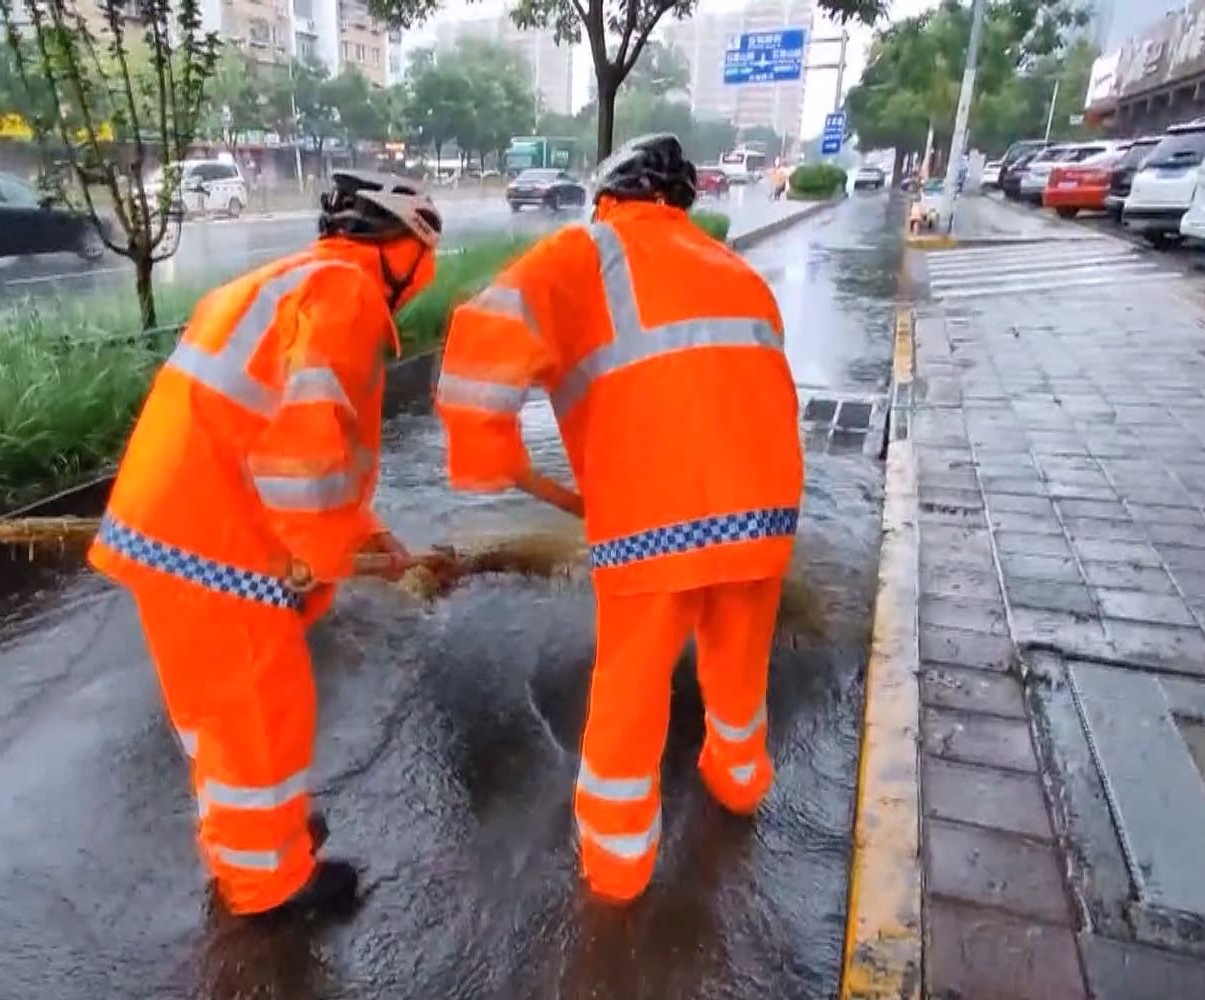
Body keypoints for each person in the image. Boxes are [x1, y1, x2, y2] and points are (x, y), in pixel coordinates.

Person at [434, 133, 804, 903]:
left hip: (655, 520)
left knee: (632, 687)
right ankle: (739, 784)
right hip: (767, 508)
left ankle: (618, 863)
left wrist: (490, 455)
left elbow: (479, 342)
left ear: (608, 199)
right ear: (682, 203)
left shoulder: (585, 253)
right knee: (738, 665)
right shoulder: (739, 272)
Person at [89, 170, 441, 921]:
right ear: (401, 249)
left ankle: (262, 838)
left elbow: (284, 431)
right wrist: (319, 555)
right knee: (257, 712)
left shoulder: (282, 283)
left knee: (221, 716)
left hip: (170, 526)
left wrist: (367, 534)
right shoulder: (347, 296)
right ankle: (268, 887)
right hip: (218, 540)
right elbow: (305, 455)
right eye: (424, 253)